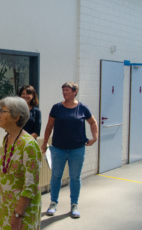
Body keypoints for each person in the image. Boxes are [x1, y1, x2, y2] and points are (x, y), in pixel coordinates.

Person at [41, 82, 98, 218]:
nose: (64, 92)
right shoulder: (57, 108)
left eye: (67, 90)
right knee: (56, 176)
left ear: (75, 91)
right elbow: (49, 126)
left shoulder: (83, 108)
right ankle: (53, 203)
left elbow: (93, 122)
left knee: (75, 177)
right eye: (63, 90)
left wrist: (95, 137)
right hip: (58, 149)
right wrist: (44, 143)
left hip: (77, 149)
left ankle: (74, 204)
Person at [0, 97, 41, 230]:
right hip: (6, 206)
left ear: (16, 117)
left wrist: (18, 214)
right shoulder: (7, 138)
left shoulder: (29, 144)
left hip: (23, 210)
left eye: (2, 112)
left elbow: (31, 184)